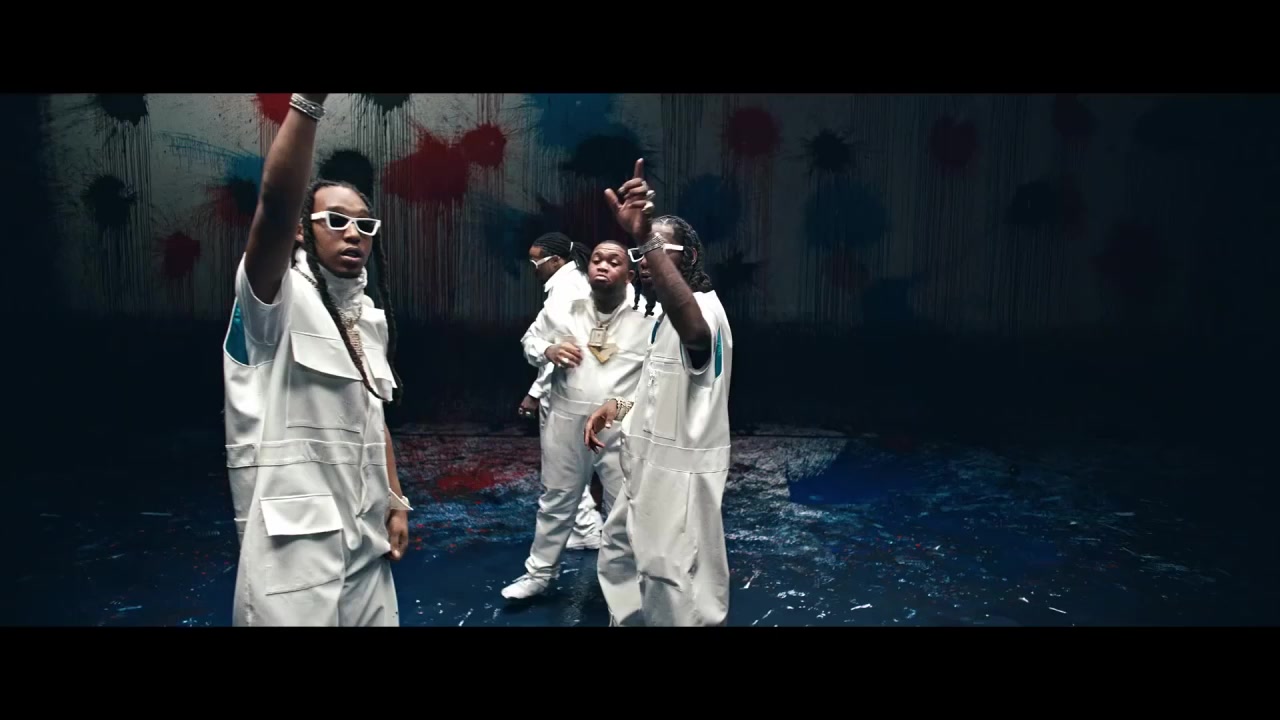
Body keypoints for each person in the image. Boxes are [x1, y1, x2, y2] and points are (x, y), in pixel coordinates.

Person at [221, 92, 411, 626]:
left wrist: (395, 499)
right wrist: (307, 104)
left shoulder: (368, 316)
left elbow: (373, 417)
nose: (353, 233)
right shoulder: (275, 297)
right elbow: (275, 207)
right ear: (303, 229)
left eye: (365, 225)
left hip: (366, 534)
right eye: (335, 220)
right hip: (294, 544)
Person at [585, 159, 734, 626]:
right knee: (620, 557)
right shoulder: (660, 321)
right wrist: (618, 406)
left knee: (673, 585)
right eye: (640, 255)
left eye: (656, 251)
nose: (644, 263)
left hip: (677, 482)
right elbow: (661, 394)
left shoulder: (703, 314)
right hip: (644, 469)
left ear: (689, 257)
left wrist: (643, 235)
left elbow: (695, 336)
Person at [501, 238, 657, 610]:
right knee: (555, 499)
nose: (602, 265)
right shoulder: (565, 307)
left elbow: (657, 384)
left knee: (623, 508)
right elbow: (530, 340)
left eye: (614, 262)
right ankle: (539, 575)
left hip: (619, 424)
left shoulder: (650, 316)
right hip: (565, 418)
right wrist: (549, 350)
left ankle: (624, 584)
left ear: (630, 275)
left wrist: (622, 409)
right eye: (597, 259)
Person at [517, 232, 615, 550]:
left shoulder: (565, 293)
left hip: (566, 392)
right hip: (589, 389)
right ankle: (591, 527)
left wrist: (535, 392)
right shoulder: (574, 286)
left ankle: (586, 528)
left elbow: (565, 351)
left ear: (557, 261)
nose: (533, 268)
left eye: (537, 261)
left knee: (562, 464)